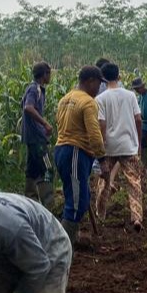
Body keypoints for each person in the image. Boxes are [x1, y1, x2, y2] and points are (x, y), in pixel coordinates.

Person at [54, 65, 107, 245]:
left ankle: (73, 238)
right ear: (90, 81)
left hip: (61, 150)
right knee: (76, 203)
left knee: (79, 197)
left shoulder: (65, 99)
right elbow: (94, 134)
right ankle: (61, 246)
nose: (99, 88)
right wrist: (102, 160)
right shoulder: (88, 102)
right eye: (99, 83)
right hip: (76, 152)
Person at [94, 62, 144, 230]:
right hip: (129, 145)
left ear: (103, 79)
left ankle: (100, 214)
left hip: (109, 146)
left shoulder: (100, 99)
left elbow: (101, 123)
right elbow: (138, 119)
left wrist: (102, 145)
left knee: (104, 181)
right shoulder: (130, 95)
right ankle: (136, 218)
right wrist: (138, 142)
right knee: (134, 182)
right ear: (119, 76)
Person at [21, 61, 54, 208]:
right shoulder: (35, 89)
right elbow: (29, 107)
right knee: (47, 169)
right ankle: (48, 206)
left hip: (32, 138)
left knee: (32, 170)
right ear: (44, 74)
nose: (50, 77)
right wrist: (45, 123)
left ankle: (31, 202)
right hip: (38, 139)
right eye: (49, 73)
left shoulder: (35, 88)